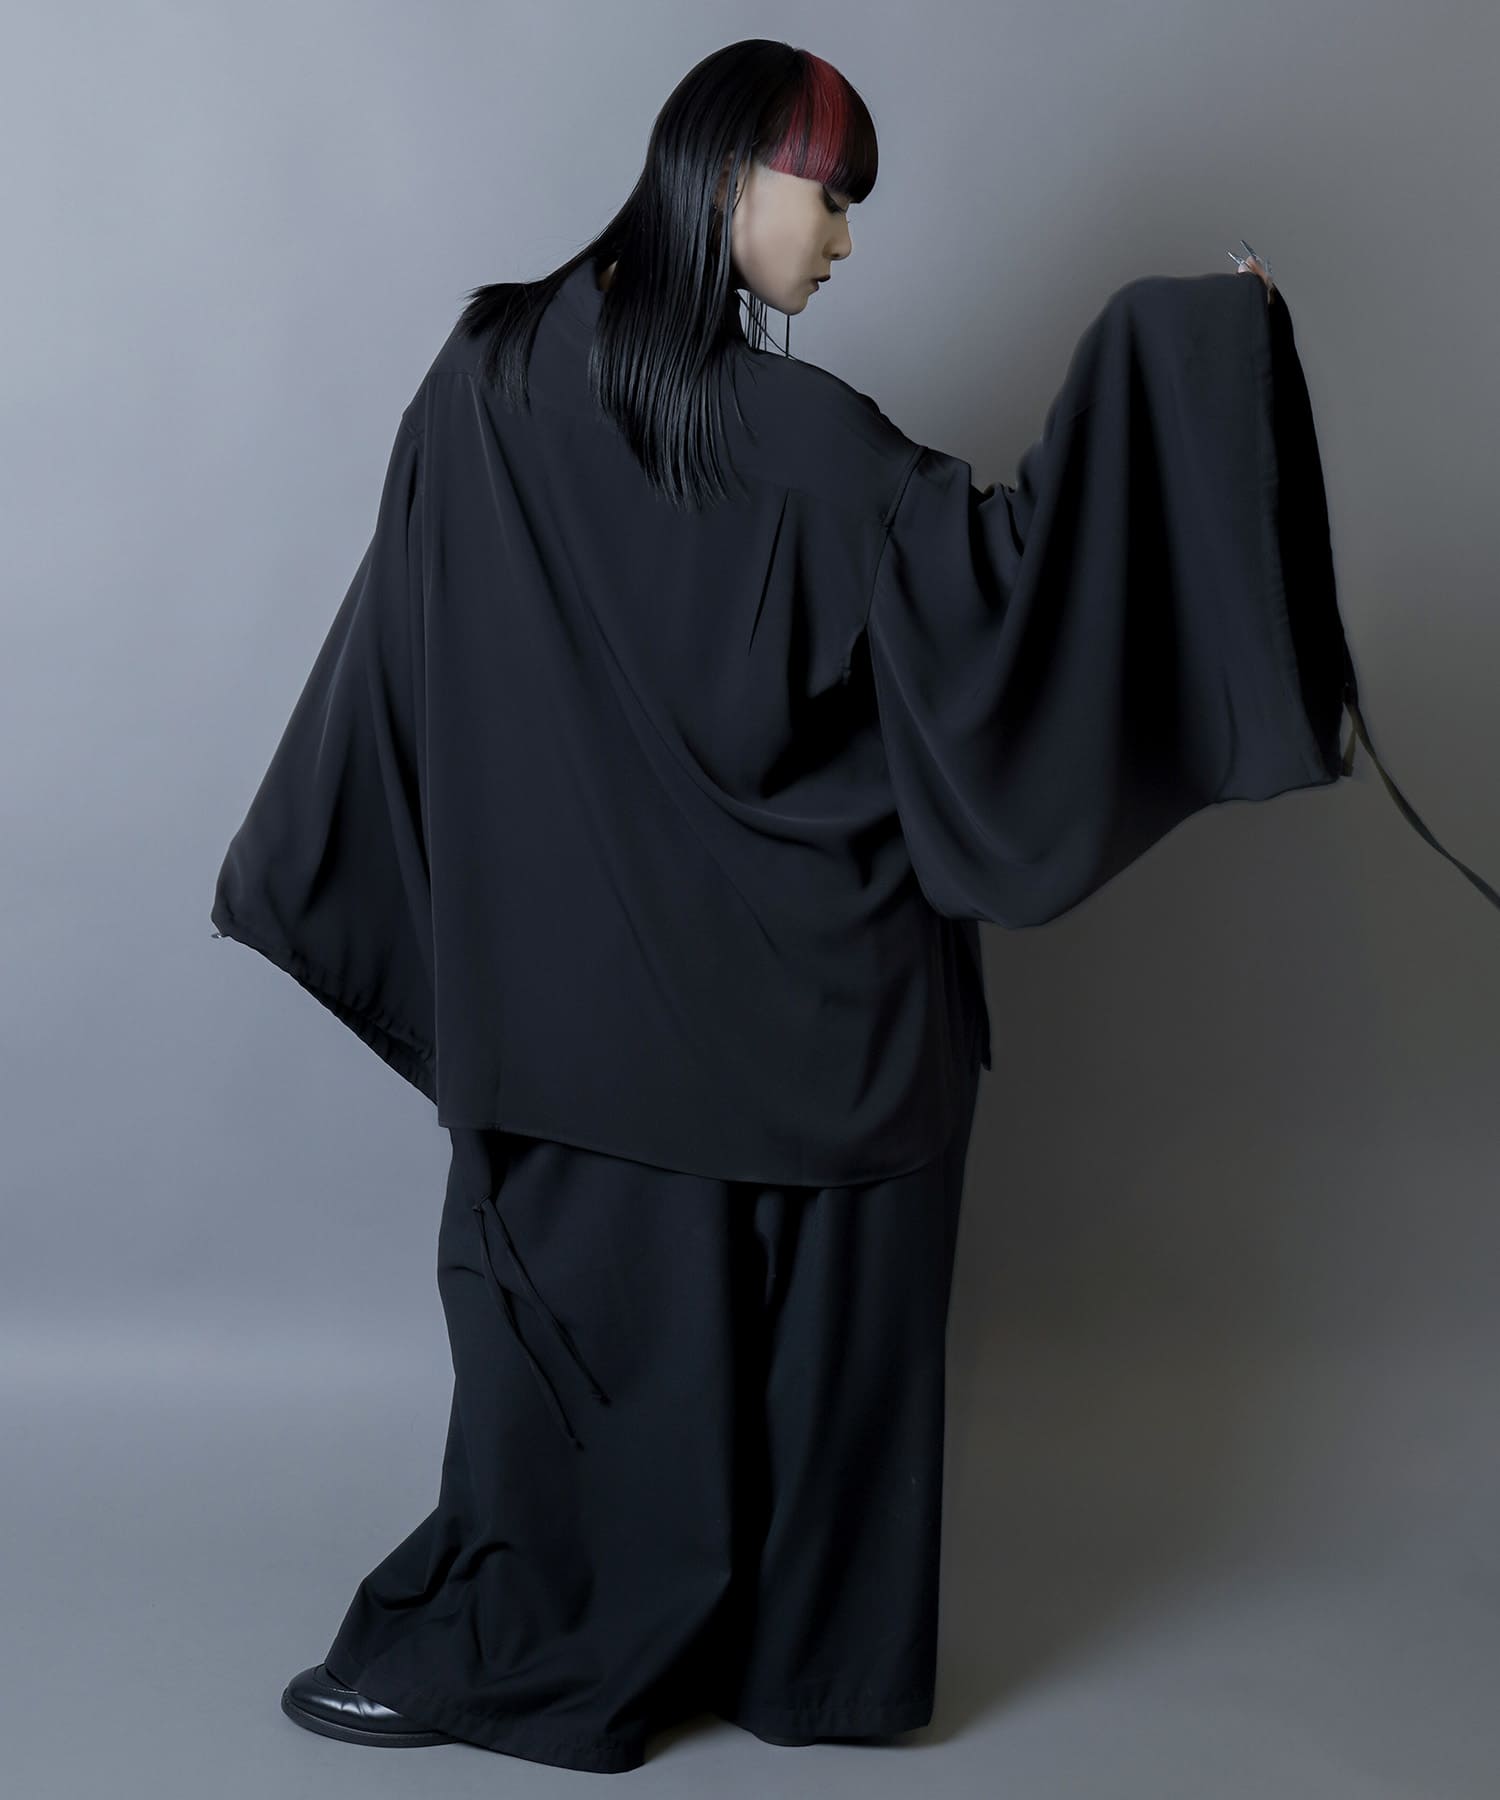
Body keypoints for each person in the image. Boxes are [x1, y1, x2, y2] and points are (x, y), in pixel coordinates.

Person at [210, 36, 1495, 1781]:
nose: (845, 240)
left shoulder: (490, 373)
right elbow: (1021, 593)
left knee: (600, 1363)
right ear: (724, 173)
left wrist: (460, 933)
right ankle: (807, 1673)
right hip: (823, 1004)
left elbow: (408, 663)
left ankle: (597, 1655)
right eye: (828, 195)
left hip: (600, 1022)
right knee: (804, 1368)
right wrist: (1189, 349)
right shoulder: (804, 443)